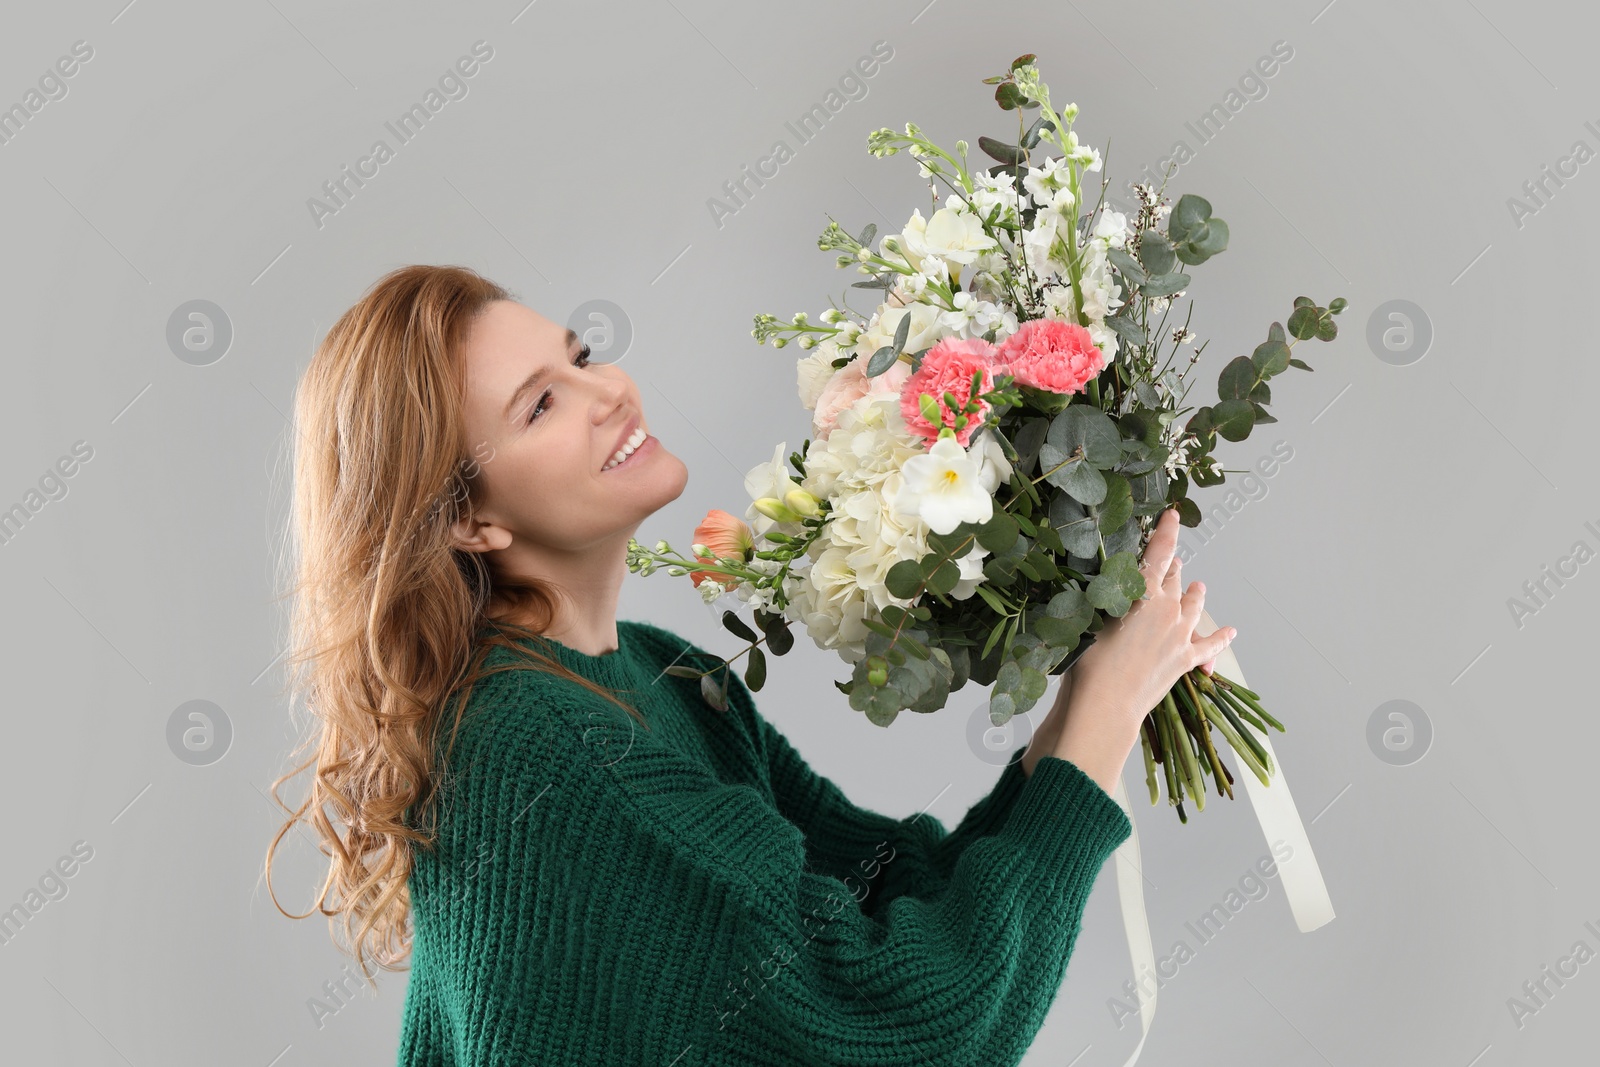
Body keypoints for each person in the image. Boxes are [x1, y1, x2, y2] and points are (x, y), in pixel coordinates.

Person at [263, 264, 1236, 1065]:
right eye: (543, 403)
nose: (611, 391)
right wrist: (1104, 717)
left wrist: (1092, 694)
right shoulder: (542, 740)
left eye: (583, 355)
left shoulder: (656, 671)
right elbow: (909, 1027)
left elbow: (887, 888)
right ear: (473, 518)